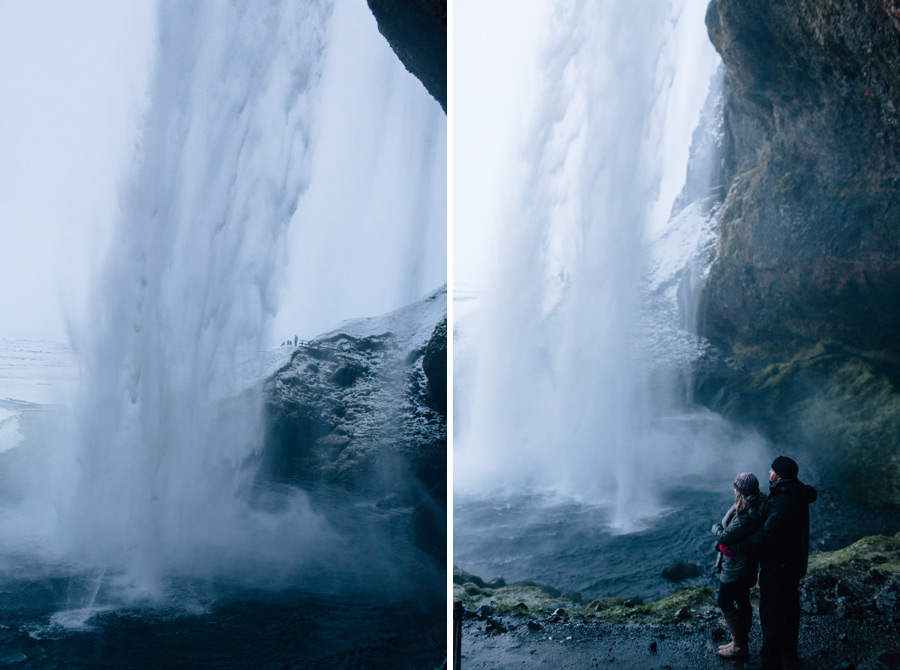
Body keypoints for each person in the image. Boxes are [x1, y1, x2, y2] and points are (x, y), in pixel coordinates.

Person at [724, 456, 818, 670]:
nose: (769, 472)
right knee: (789, 610)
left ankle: (769, 662)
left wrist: (738, 546)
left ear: (780, 475)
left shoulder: (783, 502)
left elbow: (767, 535)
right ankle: (788, 654)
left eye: (772, 470)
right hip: (793, 564)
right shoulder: (796, 492)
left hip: (778, 567)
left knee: (771, 613)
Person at [712, 472, 766, 660]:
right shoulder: (759, 503)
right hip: (747, 564)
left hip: (736, 566)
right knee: (742, 600)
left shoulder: (746, 514)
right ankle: (739, 640)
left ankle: (740, 646)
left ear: (740, 491)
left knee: (724, 600)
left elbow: (725, 537)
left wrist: (715, 527)